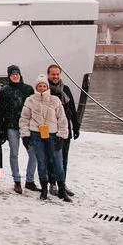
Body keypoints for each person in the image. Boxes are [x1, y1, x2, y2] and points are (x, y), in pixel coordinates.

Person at [19, 75, 70, 202]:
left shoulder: (55, 100)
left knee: (58, 162)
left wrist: (62, 135)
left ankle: (62, 190)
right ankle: (44, 190)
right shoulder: (30, 100)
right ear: (36, 87)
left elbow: (62, 119)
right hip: (36, 134)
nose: (42, 88)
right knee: (41, 162)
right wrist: (25, 135)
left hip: (53, 135)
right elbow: (24, 119)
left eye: (44, 86)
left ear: (47, 87)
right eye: (39, 86)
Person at [0, 64, 38, 194]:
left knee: (33, 153)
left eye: (17, 74)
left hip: (27, 126)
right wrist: (1, 128)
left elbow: (35, 108)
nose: (15, 76)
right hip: (11, 126)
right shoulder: (5, 90)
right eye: (13, 74)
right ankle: (17, 180)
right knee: (14, 153)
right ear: (9, 76)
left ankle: (30, 180)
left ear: (20, 75)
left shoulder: (28, 89)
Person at [47, 64, 80, 197]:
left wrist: (76, 126)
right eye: (52, 74)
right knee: (52, 158)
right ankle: (52, 183)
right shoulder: (45, 89)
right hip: (52, 129)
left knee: (64, 158)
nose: (55, 76)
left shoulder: (65, 89)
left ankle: (62, 183)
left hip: (66, 128)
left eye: (57, 74)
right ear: (48, 74)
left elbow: (72, 107)